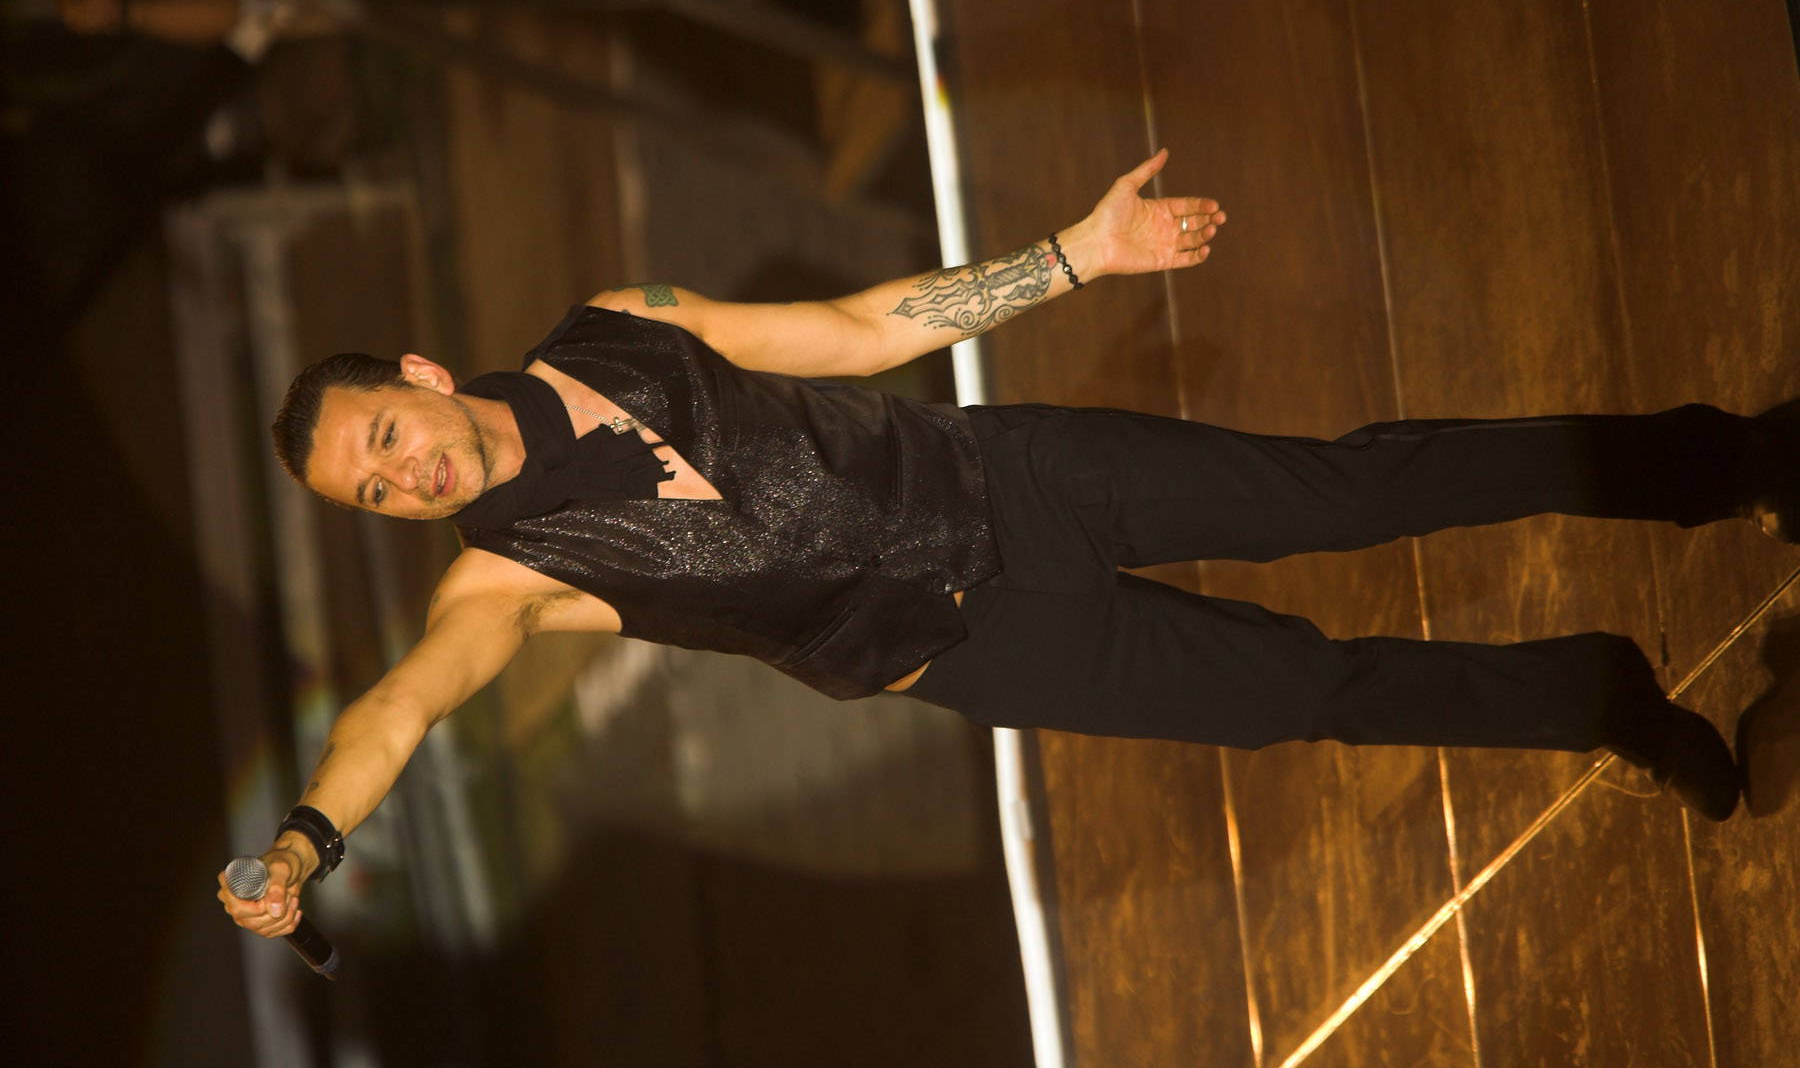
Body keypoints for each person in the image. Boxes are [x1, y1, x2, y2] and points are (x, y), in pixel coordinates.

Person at [219, 150, 1797, 944]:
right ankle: (1598, 697)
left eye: (384, 439)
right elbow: (398, 709)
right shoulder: (508, 579)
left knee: (1352, 491)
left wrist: (1079, 256)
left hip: (1019, 479)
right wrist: (301, 846)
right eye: (374, 494)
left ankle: (1728, 460)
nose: (403, 477)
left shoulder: (619, 326)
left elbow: (858, 330)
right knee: (1305, 695)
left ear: (418, 375)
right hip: (981, 648)